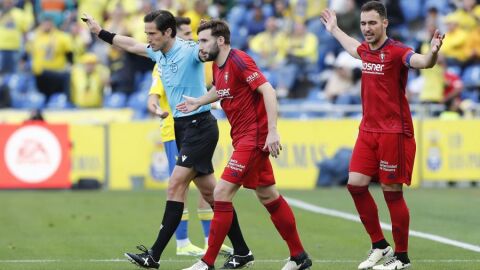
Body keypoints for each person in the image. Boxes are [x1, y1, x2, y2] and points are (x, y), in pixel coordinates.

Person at [83, 10, 252, 269]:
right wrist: (99, 32)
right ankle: (242, 251)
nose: (148, 38)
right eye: (147, 32)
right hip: (183, 127)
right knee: (212, 195)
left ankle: (154, 255)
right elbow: (129, 43)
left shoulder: (189, 51)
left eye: (152, 33)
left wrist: (225, 61)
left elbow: (216, 56)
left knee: (175, 186)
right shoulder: (156, 51)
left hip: (200, 126)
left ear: (168, 32)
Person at [177, 19, 312, 270]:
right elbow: (222, 90)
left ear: (220, 41)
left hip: (254, 137)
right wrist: (199, 101)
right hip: (242, 136)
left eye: (204, 41)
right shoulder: (218, 65)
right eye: (199, 42)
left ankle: (208, 263)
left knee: (221, 193)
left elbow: (268, 90)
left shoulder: (239, 60)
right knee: (268, 194)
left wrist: (272, 131)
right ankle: (299, 257)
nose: (201, 47)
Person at [320, 2, 444, 270]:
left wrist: (432, 53)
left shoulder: (398, 50)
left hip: (394, 132)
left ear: (385, 23)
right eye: (364, 23)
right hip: (368, 130)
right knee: (355, 184)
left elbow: (420, 62)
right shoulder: (365, 51)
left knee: (391, 191)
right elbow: (353, 47)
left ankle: (401, 257)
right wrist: (334, 29)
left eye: (372, 23)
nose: (367, 28)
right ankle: (379, 245)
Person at [147, 16, 232, 257]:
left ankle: (201, 242)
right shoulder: (161, 60)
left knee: (186, 187)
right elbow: (153, 93)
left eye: (193, 36)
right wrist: (155, 109)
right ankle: (183, 241)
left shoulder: (193, 56)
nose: (191, 40)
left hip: (195, 128)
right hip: (172, 132)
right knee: (196, 189)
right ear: (173, 34)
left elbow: (213, 82)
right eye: (186, 34)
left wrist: (205, 102)